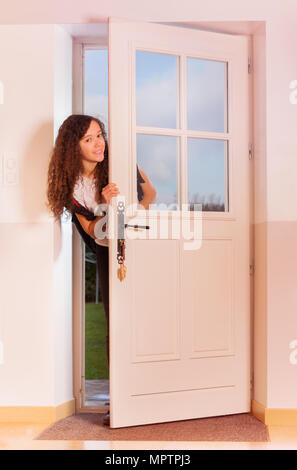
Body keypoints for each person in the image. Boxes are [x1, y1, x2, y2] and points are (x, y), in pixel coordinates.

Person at [47, 114, 156, 425]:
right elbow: (94, 231)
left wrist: (130, 219)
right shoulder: (72, 188)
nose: (99, 143)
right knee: (117, 325)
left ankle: (153, 392)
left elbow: (151, 195)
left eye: (99, 135)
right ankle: (121, 397)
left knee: (146, 319)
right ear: (73, 147)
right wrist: (106, 204)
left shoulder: (119, 163)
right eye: (88, 139)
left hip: (137, 244)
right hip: (109, 255)